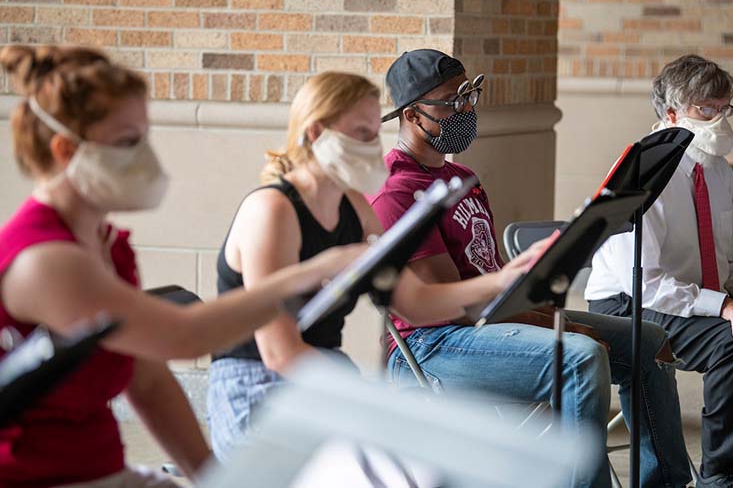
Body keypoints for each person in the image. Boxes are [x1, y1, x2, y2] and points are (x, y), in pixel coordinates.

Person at [0, 45, 365, 488]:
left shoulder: (107, 245)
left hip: (103, 472)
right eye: (128, 143)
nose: (145, 156)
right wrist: (309, 272)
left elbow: (148, 380)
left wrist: (213, 479)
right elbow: (183, 336)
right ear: (64, 150)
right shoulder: (46, 260)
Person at [369, 49, 691, 488]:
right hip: (432, 347)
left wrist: (552, 315)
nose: (466, 109)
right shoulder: (397, 190)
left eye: (469, 95)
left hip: (486, 323)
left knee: (648, 341)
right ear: (411, 115)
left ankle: (667, 483)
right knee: (580, 358)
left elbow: (496, 286)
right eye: (453, 101)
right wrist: (565, 328)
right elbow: (453, 307)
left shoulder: (463, 178)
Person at [205, 70, 539, 462]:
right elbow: (279, 352)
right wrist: (368, 402)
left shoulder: (354, 207)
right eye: (361, 134)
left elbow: (416, 303)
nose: (372, 146)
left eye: (374, 133)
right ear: (316, 133)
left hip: (324, 373)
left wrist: (505, 280)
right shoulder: (272, 210)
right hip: (258, 387)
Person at [586, 54, 733, 488]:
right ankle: (723, 477)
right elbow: (646, 282)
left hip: (698, 297)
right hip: (627, 303)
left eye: (725, 108)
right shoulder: (643, 171)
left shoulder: (720, 170)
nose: (720, 120)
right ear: (671, 113)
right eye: (707, 109)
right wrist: (724, 306)